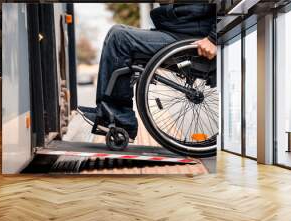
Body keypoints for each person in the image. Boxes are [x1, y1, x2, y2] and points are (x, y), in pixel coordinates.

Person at [78, 4, 217, 140]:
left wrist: (213, 38)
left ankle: (119, 119)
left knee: (119, 38)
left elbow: (232, 4)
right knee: (115, 32)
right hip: (178, 30)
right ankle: (108, 112)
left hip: (192, 38)